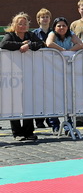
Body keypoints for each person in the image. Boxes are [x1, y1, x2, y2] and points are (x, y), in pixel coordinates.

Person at [0, 12, 45, 141]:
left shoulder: (30, 35)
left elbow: (41, 44)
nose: (23, 26)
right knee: (13, 103)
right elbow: (3, 44)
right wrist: (21, 45)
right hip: (12, 74)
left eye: (25, 23)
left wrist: (29, 45)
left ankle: (28, 132)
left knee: (27, 103)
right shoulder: (10, 35)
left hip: (28, 74)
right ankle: (17, 132)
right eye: (20, 24)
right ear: (14, 24)